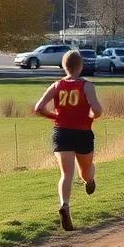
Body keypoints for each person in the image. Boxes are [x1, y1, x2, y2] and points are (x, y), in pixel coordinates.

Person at [34, 50, 103, 231]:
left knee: (66, 174)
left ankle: (64, 204)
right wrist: (91, 116)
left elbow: (39, 107)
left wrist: (53, 116)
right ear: (80, 66)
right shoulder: (87, 86)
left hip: (62, 132)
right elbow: (97, 110)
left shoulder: (56, 86)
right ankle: (90, 181)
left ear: (64, 66)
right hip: (82, 133)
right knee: (87, 172)